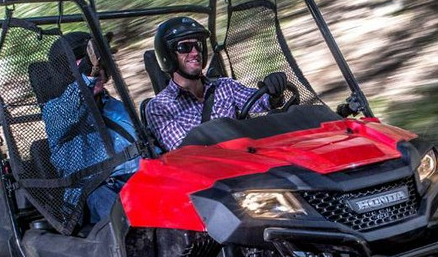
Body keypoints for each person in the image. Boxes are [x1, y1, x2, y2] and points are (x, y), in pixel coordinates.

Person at [145, 16, 289, 150]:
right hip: (211, 172)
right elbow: (186, 153)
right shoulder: (159, 107)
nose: (195, 53)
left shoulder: (225, 86)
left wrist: (273, 92)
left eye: (198, 46)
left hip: (248, 157)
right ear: (167, 56)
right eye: (185, 47)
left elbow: (260, 102)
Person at [42, 32, 139, 224]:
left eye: (101, 65)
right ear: (67, 72)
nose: (99, 71)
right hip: (91, 192)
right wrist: (89, 74)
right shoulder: (54, 110)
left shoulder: (116, 106)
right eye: (89, 65)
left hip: (134, 182)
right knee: (131, 219)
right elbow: (73, 104)